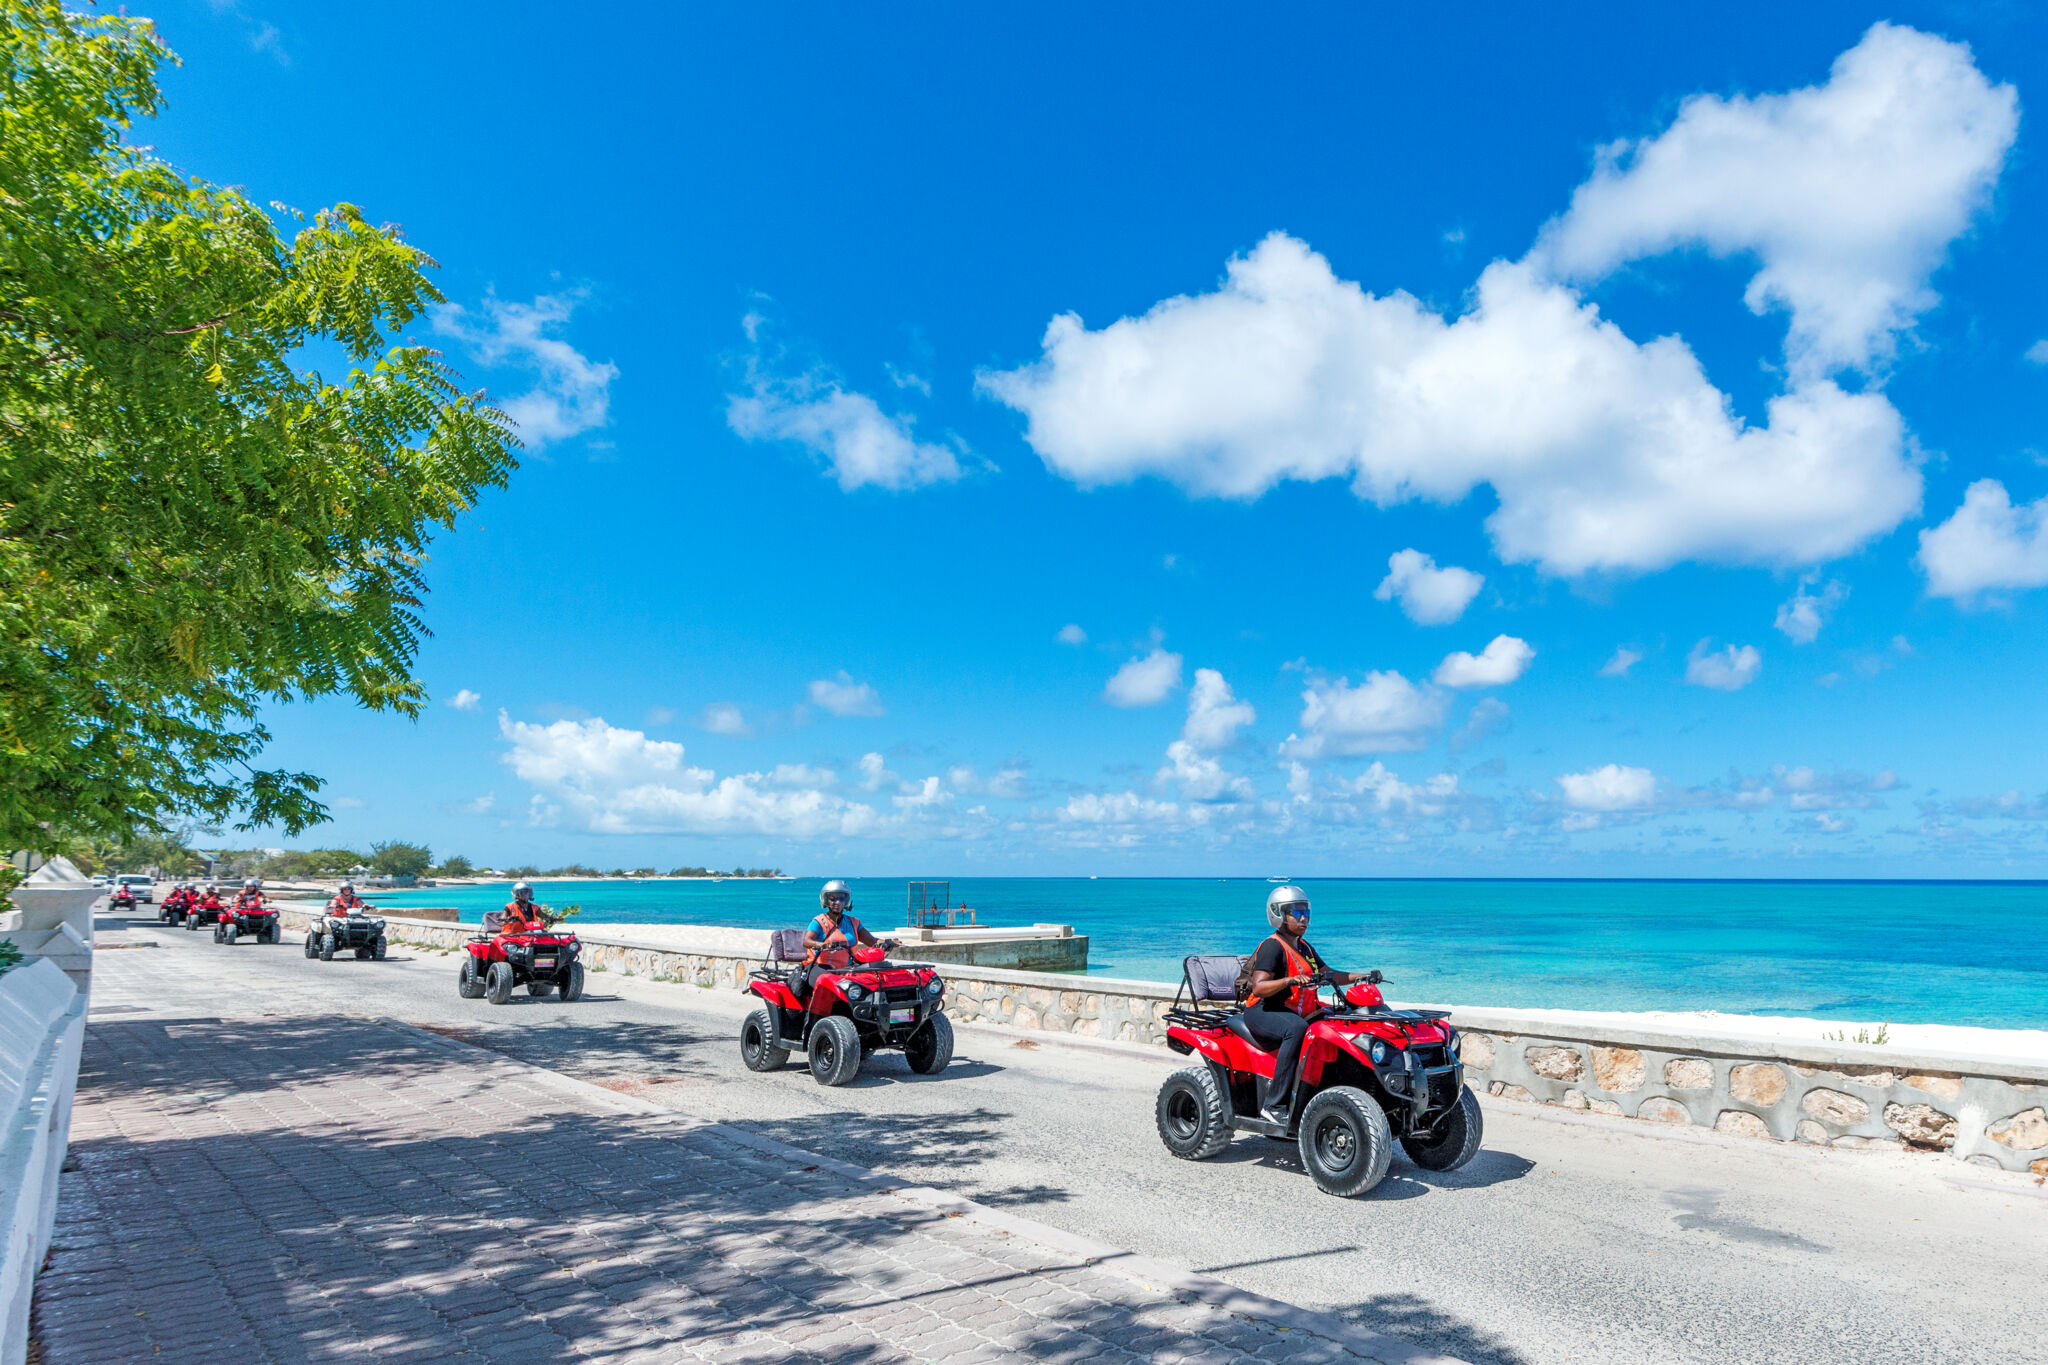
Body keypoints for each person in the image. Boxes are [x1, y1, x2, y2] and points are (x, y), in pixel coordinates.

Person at [1242, 886, 1373, 1122]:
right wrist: (1290, 980)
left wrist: (1361, 976)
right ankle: (1274, 1104)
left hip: (1290, 1010)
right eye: (1296, 912)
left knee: (1339, 1020)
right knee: (1296, 1029)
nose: (1304, 918)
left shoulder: (1305, 947)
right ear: (1279, 915)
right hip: (1263, 1010)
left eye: (1306, 912)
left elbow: (1328, 974)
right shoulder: (1272, 946)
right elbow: (1259, 987)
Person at [796, 880, 898, 997]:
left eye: (842, 898)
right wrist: (820, 945)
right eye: (833, 898)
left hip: (848, 967)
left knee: (874, 980)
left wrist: (888, 941)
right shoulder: (818, 922)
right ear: (826, 900)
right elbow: (806, 941)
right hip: (820, 967)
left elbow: (872, 941)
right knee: (833, 986)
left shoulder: (853, 922)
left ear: (847, 901)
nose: (837, 902)